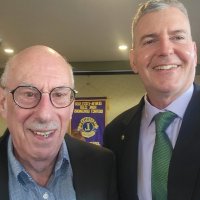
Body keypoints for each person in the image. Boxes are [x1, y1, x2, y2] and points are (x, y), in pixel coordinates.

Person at [103, 0, 200, 199]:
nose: (165, 50)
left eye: (178, 37)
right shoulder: (115, 134)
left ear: (194, 52)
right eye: (149, 41)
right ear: (133, 60)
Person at [0, 45, 118, 200]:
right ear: (3, 103)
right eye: (29, 94)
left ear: (72, 106)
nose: (45, 114)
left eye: (59, 94)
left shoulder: (102, 164)